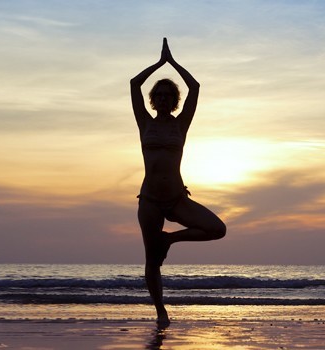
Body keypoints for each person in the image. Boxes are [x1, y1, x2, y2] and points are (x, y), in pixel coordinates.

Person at [130, 38, 226, 328]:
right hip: (149, 200)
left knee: (217, 228)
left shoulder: (180, 124)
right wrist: (158, 64)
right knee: (152, 261)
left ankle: (170, 238)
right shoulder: (144, 123)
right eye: (157, 95)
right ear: (152, 100)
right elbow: (134, 84)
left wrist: (173, 63)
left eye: (166, 95)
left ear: (174, 100)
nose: (161, 98)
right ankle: (161, 312)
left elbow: (195, 88)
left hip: (176, 198)